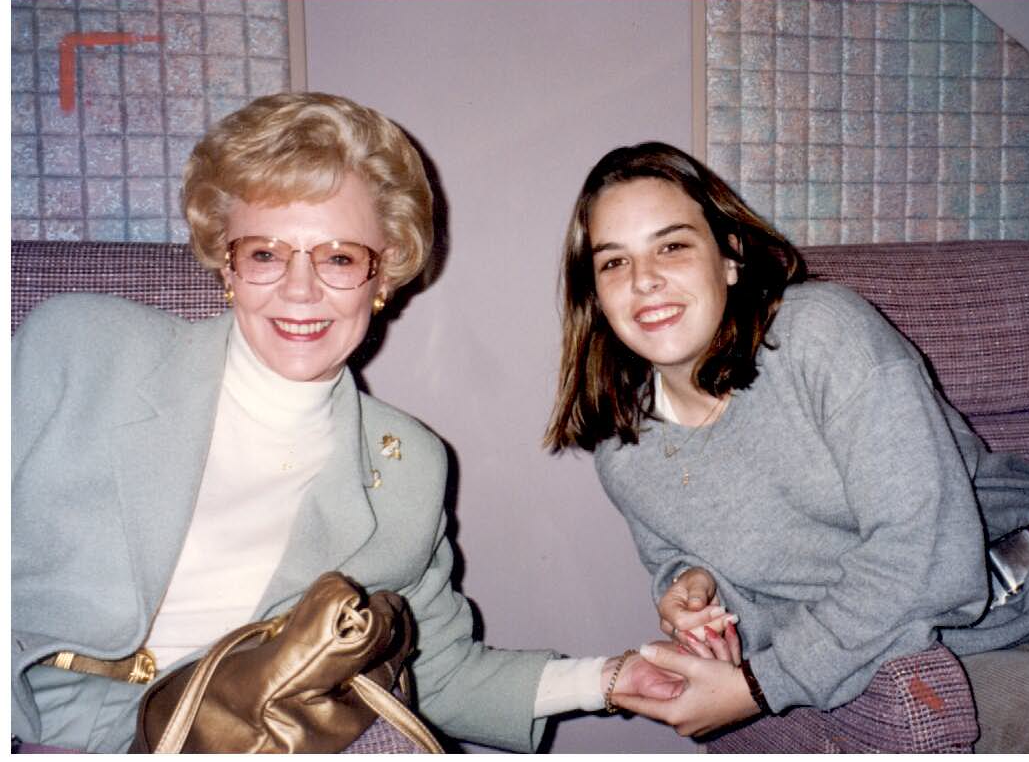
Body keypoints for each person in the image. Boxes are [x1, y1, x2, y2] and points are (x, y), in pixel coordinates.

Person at [10, 93, 684, 754]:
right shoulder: (80, 347)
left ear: (382, 273)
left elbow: (442, 672)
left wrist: (610, 680)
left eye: (337, 257)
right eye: (266, 254)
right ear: (226, 260)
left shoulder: (409, 467)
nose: (300, 291)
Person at [543, 141, 1029, 751]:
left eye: (672, 246)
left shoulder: (818, 333)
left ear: (730, 256)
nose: (645, 280)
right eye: (614, 261)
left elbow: (924, 548)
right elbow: (678, 558)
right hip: (939, 658)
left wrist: (759, 688)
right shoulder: (623, 456)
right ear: (595, 296)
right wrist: (692, 587)